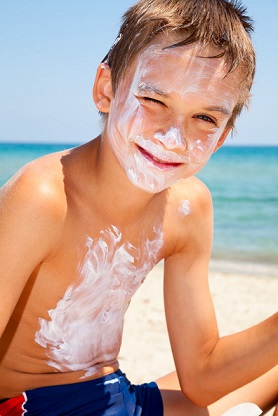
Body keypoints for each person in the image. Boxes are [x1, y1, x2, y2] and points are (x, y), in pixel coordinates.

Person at [0, 0, 277, 415]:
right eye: (153, 100)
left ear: (222, 136)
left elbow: (201, 378)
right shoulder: (44, 197)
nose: (172, 136)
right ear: (107, 89)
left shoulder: (188, 208)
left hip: (112, 393)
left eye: (204, 118)